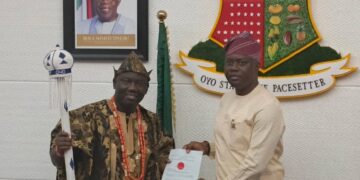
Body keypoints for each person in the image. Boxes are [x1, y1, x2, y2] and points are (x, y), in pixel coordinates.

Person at [50, 52, 174, 179]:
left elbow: (165, 158)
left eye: (139, 83)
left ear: (146, 89)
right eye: (126, 81)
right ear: (115, 83)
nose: (132, 87)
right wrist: (59, 151)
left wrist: (182, 159)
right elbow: (61, 162)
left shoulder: (153, 121)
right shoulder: (83, 118)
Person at [183, 32, 285, 180]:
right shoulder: (227, 98)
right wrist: (207, 148)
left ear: (257, 66)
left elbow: (255, 165)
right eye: (229, 62)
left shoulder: (267, 107)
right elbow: (233, 146)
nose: (234, 68)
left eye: (242, 63)